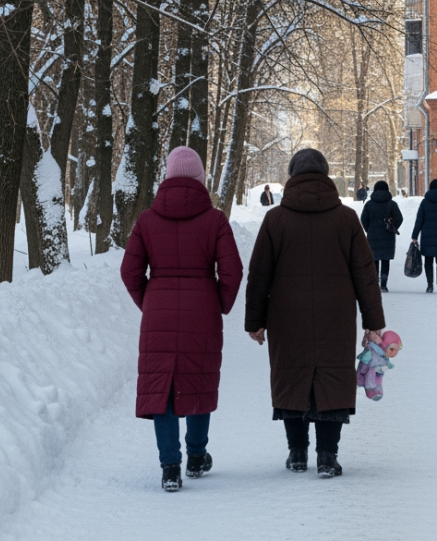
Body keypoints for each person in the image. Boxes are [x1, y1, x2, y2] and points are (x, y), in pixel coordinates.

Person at [245, 148, 387, 478]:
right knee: (332, 376)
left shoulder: (275, 219)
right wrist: (373, 323)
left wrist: (256, 321)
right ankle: (327, 456)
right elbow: (365, 273)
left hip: (286, 314)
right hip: (335, 313)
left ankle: (296, 453)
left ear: (292, 176)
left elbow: (259, 274)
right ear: (325, 176)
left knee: (291, 374)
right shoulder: (346, 218)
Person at [120, 146, 243, 493]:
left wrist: (150, 300)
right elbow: (232, 270)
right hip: (201, 311)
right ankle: (196, 455)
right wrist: (218, 302)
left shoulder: (146, 220)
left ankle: (169, 467)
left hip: (158, 309)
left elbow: (130, 271)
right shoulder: (215, 219)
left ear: (167, 177)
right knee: (197, 379)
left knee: (163, 386)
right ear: (200, 179)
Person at [359, 181, 404, 292]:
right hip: (387, 235)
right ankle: (383, 285)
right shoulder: (391, 204)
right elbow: (399, 218)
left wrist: (369, 229)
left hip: (373, 235)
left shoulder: (369, 204)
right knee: (385, 260)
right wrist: (393, 227)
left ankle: (375, 283)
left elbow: (363, 219)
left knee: (374, 260)